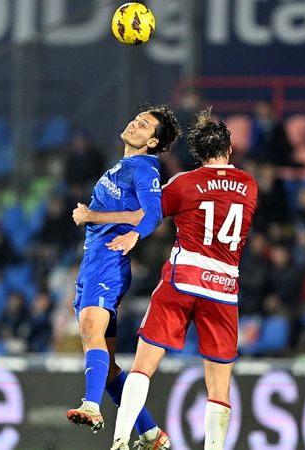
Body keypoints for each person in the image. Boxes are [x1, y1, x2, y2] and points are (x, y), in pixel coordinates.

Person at [110, 109, 259, 450]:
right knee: (219, 386)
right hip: (223, 288)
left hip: (183, 279)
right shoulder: (250, 187)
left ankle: (120, 440)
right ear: (229, 150)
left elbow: (149, 210)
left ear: (198, 154)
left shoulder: (184, 183)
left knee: (143, 365)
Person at [67, 104, 181, 450]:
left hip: (109, 262)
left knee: (90, 328)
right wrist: (92, 217)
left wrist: (120, 228)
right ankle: (151, 434)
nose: (136, 123)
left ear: (152, 141)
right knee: (109, 366)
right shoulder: (125, 165)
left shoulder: (146, 168)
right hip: (93, 262)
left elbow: (152, 212)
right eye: (137, 118)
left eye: (144, 124)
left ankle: (91, 406)